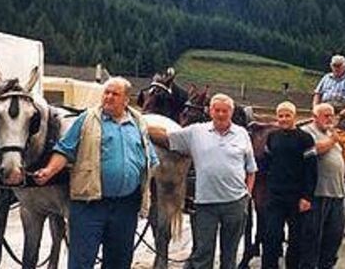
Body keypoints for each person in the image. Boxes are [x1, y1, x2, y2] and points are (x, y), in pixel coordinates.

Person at [33, 77, 159, 269]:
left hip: (125, 207)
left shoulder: (138, 123)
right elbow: (64, 149)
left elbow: (150, 158)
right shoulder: (86, 120)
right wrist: (49, 171)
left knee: (119, 262)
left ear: (126, 99)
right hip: (89, 205)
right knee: (82, 262)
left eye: (114, 94)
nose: (108, 97)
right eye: (106, 92)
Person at [157, 93, 257, 269]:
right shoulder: (196, 131)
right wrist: (142, 124)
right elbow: (167, 138)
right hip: (205, 204)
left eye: (224, 111)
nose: (220, 114)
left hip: (235, 203)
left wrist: (247, 195)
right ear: (210, 111)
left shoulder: (242, 134)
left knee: (230, 253)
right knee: (203, 253)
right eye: (217, 110)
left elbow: (251, 169)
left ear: (231, 112)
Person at [261, 101, 317, 269]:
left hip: (297, 197)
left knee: (296, 240)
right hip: (275, 196)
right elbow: (266, 164)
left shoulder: (305, 139)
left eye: (287, 115)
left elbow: (311, 170)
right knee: (271, 236)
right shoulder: (272, 137)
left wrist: (307, 197)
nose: (284, 119)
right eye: (281, 116)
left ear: (295, 116)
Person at [299, 103, 345, 269]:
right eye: (325, 115)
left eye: (331, 115)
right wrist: (333, 140)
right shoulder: (307, 132)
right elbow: (309, 151)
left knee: (334, 237)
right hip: (318, 194)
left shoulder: (329, 132)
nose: (330, 119)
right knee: (312, 239)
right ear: (315, 116)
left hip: (338, 193)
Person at [313, 55, 345, 129]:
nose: (336, 68)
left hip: (342, 109)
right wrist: (315, 108)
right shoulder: (326, 77)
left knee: (339, 126)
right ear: (331, 66)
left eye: (339, 66)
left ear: (344, 66)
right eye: (334, 66)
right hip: (326, 107)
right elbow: (317, 94)